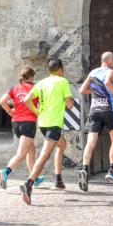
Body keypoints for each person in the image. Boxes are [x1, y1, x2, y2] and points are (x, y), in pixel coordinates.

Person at [19, 58, 74, 205]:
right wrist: (69, 100)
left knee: (62, 144)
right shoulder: (62, 81)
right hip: (54, 124)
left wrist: (37, 112)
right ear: (61, 70)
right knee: (44, 155)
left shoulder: (41, 83)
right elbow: (70, 105)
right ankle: (29, 183)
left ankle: (58, 178)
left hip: (43, 123)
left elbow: (26, 100)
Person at [78, 51, 113, 192]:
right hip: (109, 109)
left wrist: (94, 92)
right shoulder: (111, 72)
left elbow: (82, 90)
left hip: (94, 111)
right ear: (111, 61)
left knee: (91, 142)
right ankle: (112, 171)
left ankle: (85, 169)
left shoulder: (93, 72)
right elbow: (107, 83)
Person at [0, 66, 45, 189]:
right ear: (32, 77)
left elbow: (2, 101)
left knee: (31, 150)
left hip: (16, 123)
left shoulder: (14, 88)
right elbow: (42, 104)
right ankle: (6, 172)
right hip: (28, 123)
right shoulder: (35, 88)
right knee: (21, 153)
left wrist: (9, 111)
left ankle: (34, 177)